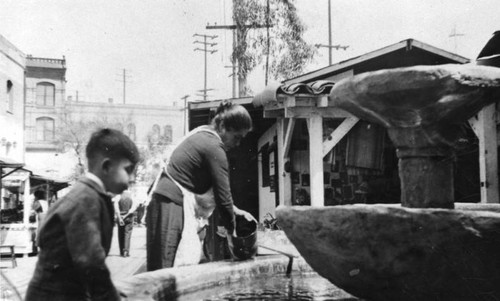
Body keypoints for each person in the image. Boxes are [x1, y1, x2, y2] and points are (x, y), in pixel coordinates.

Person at [25, 128, 139, 301]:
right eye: (128, 170)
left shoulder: (91, 196)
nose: (132, 179)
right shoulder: (85, 200)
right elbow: (92, 265)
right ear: (106, 166)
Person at [146, 101, 254, 271]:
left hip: (166, 201)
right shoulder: (214, 147)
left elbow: (218, 196)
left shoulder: (203, 135)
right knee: (167, 268)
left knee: (165, 267)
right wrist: (233, 236)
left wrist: (236, 211)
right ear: (223, 127)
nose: (238, 144)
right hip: (170, 203)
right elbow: (223, 197)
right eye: (237, 137)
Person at [114, 190, 137, 257]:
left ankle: (121, 251)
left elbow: (116, 208)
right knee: (127, 234)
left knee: (120, 234)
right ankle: (126, 251)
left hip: (120, 216)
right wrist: (126, 215)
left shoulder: (118, 196)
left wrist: (120, 217)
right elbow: (133, 207)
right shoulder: (132, 196)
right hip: (129, 217)